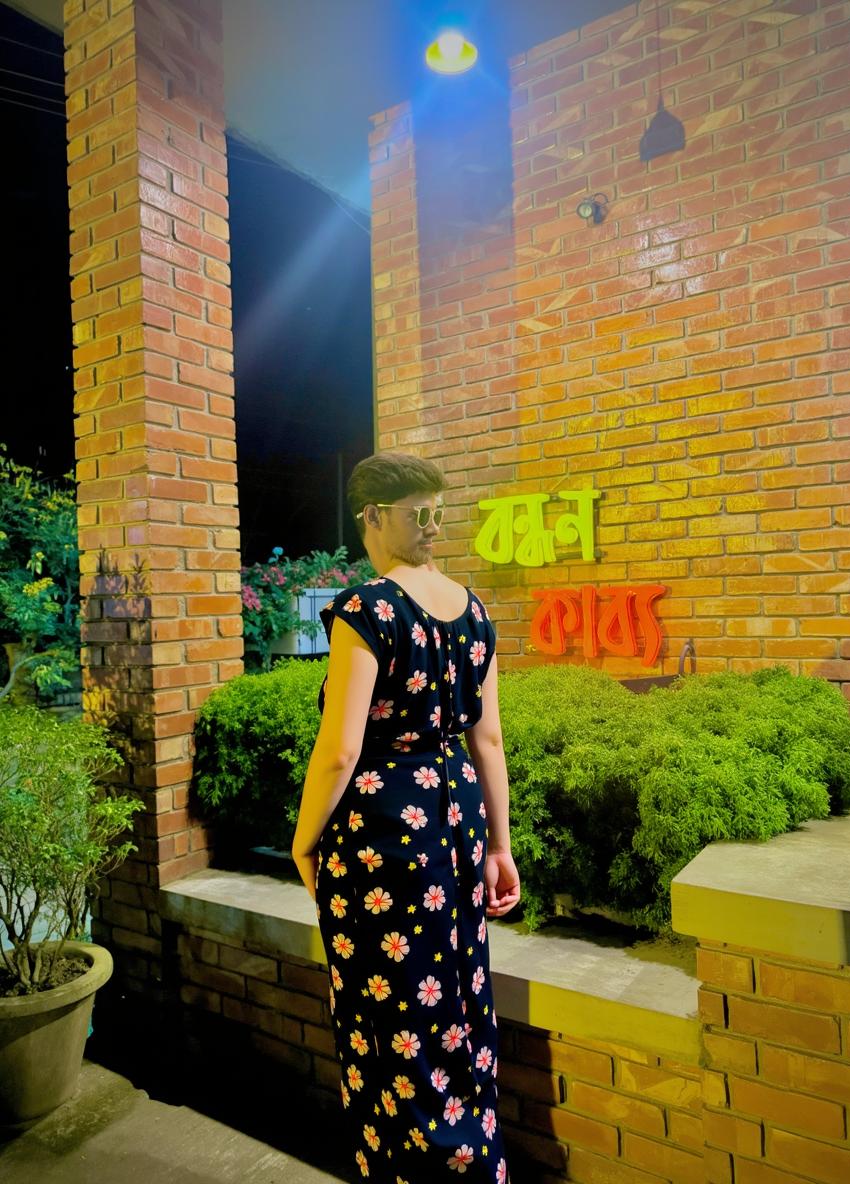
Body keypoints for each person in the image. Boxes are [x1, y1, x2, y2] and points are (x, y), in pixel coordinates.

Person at [293, 451, 520, 1183]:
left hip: (385, 839)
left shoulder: (368, 609)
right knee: (454, 999)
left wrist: (303, 843)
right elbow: (487, 739)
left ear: (369, 519)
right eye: (424, 512)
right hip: (456, 827)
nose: (428, 524)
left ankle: (407, 1168)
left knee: (391, 1022)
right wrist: (500, 847)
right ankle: (474, 1159)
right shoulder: (473, 609)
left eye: (431, 512)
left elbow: (340, 750)